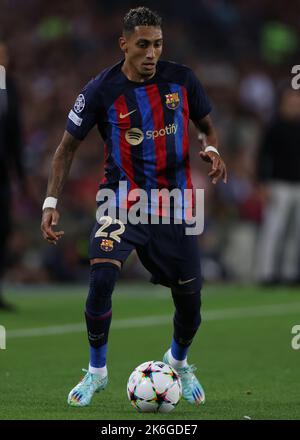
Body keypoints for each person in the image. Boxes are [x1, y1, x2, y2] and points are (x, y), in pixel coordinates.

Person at [41, 7, 227, 407]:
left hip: (175, 205)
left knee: (191, 303)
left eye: (157, 44)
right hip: (121, 201)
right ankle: (96, 373)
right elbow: (65, 149)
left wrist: (210, 147)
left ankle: (177, 361)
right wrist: (51, 202)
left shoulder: (182, 79)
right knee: (101, 279)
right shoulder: (99, 91)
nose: (151, 53)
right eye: (143, 45)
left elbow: (206, 124)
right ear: (123, 44)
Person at [255, 87, 300, 284]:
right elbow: (263, 157)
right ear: (282, 104)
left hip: (298, 186)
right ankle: (266, 272)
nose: (295, 107)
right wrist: (263, 183)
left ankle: (289, 273)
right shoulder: (275, 127)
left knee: (295, 233)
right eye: (291, 103)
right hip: (278, 185)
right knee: (273, 230)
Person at [0, 39, 25, 311]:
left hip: (2, 173)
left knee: (3, 230)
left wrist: (20, 174)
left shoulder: (11, 87)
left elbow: (15, 134)